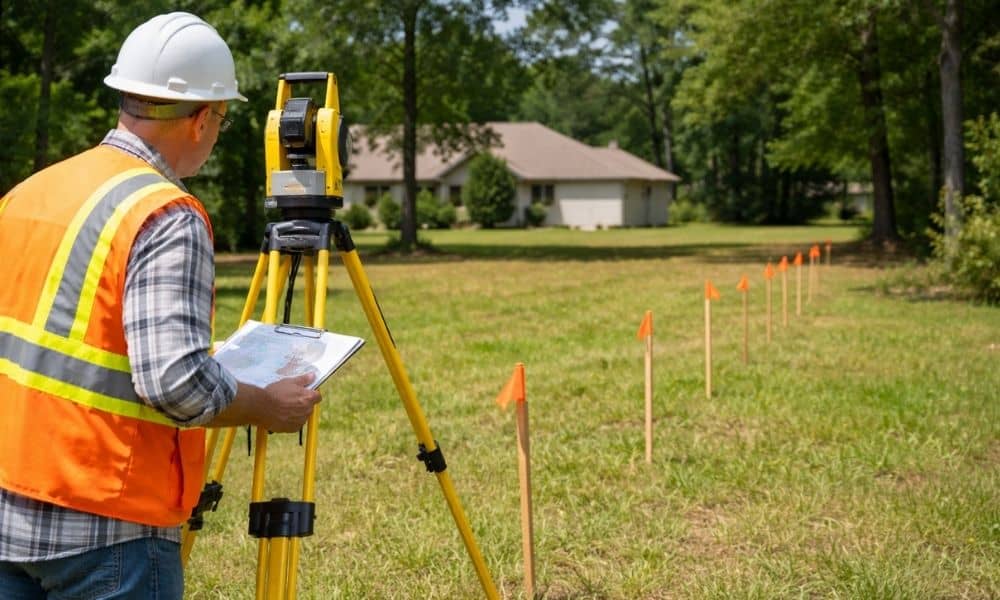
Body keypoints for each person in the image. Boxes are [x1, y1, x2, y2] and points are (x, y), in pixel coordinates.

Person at [0, 12, 322, 599]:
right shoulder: (165, 214)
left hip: (8, 511)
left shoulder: (32, 190)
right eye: (221, 119)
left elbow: (65, 342)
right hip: (107, 529)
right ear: (202, 119)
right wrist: (266, 405)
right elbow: (176, 386)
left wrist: (209, 358)